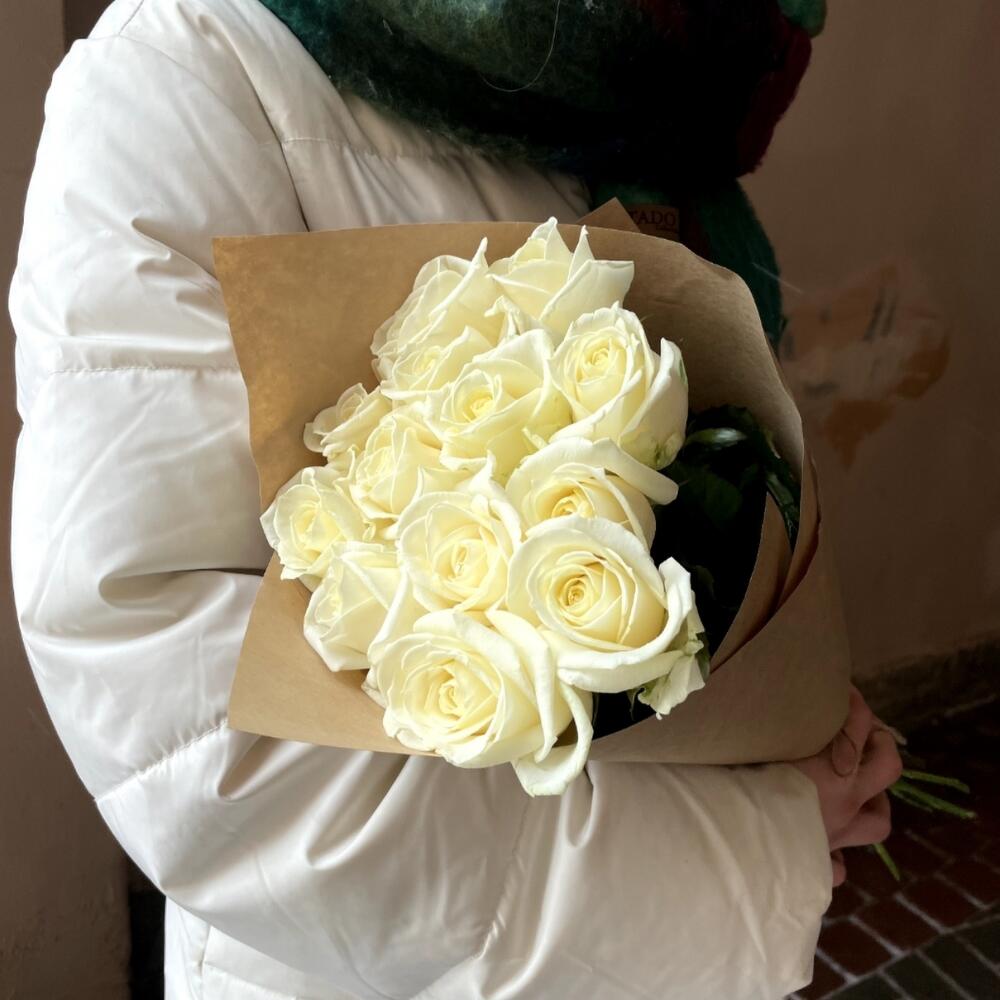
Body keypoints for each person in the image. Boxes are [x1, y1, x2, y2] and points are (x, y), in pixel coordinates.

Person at [9, 1, 902, 997]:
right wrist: (752, 848)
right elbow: (186, 721)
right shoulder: (189, 71)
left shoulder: (656, 81)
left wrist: (784, 713)